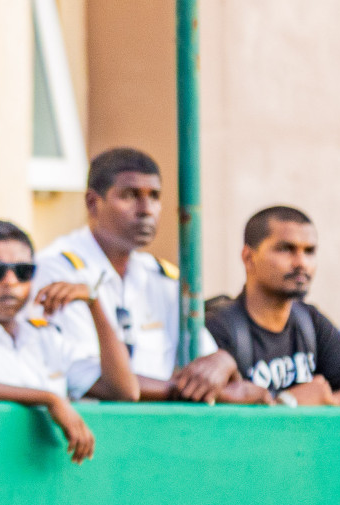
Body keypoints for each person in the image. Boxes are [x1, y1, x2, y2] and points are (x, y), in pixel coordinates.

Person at [0, 220, 138, 464]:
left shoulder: (46, 336)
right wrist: (47, 398)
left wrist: (94, 303)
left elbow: (124, 391)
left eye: (23, 271)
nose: (10, 281)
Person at [35, 148, 238, 402]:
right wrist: (192, 390)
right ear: (92, 202)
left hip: (163, 429)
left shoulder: (161, 277)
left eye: (154, 196)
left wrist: (222, 360)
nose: (146, 210)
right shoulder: (57, 270)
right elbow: (85, 378)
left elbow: (204, 361)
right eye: (129, 196)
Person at [206, 206, 340, 406]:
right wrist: (288, 402)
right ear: (248, 257)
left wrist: (330, 401)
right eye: (285, 249)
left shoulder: (310, 321)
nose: (301, 263)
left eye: (309, 251)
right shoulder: (218, 328)